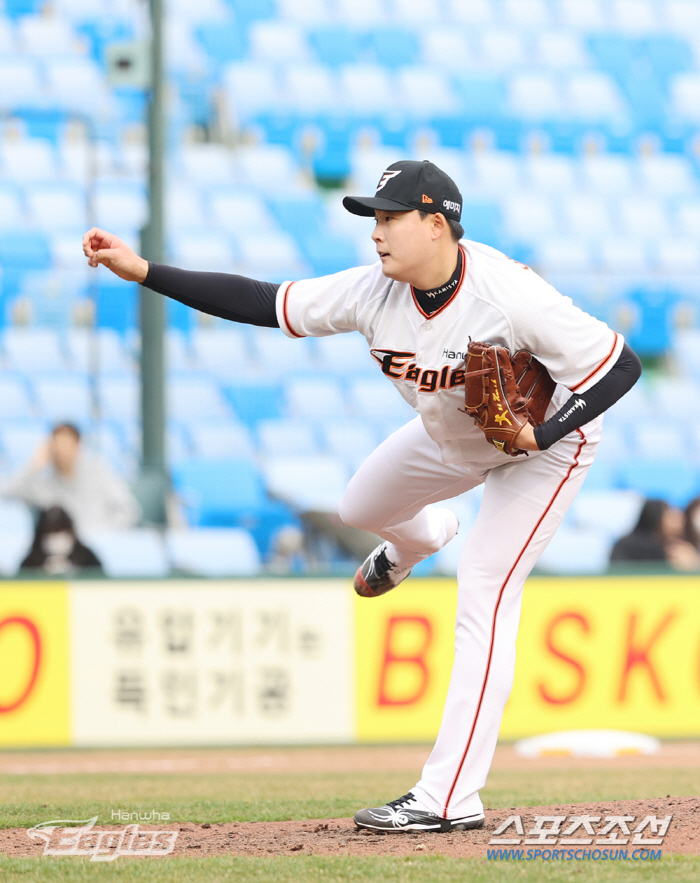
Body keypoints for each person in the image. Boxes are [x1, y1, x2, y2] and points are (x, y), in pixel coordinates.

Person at [83, 159, 642, 833]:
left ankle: (449, 796)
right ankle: (422, 537)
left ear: (437, 225)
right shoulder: (371, 291)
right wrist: (145, 270)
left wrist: (544, 430)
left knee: (485, 590)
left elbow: (620, 363)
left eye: (389, 217)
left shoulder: (509, 295)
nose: (376, 232)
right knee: (359, 509)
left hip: (544, 451)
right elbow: (265, 301)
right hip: (451, 434)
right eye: (372, 217)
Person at [3, 422, 140, 537]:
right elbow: (9, 493)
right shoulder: (44, 484)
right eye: (57, 444)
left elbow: (128, 511)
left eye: (67, 443)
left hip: (98, 551)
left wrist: (105, 533)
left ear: (78, 445)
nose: (62, 450)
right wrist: (34, 465)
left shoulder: (100, 473)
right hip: (63, 555)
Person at [610, 498, 700, 571]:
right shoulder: (629, 545)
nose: (678, 521)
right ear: (656, 518)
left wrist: (694, 563)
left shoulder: (680, 545)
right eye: (670, 517)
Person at [20, 505, 103, 575]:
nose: (57, 541)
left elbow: (101, 581)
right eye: (51, 535)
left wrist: (74, 572)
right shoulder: (32, 560)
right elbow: (18, 583)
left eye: (64, 535)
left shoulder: (86, 557)